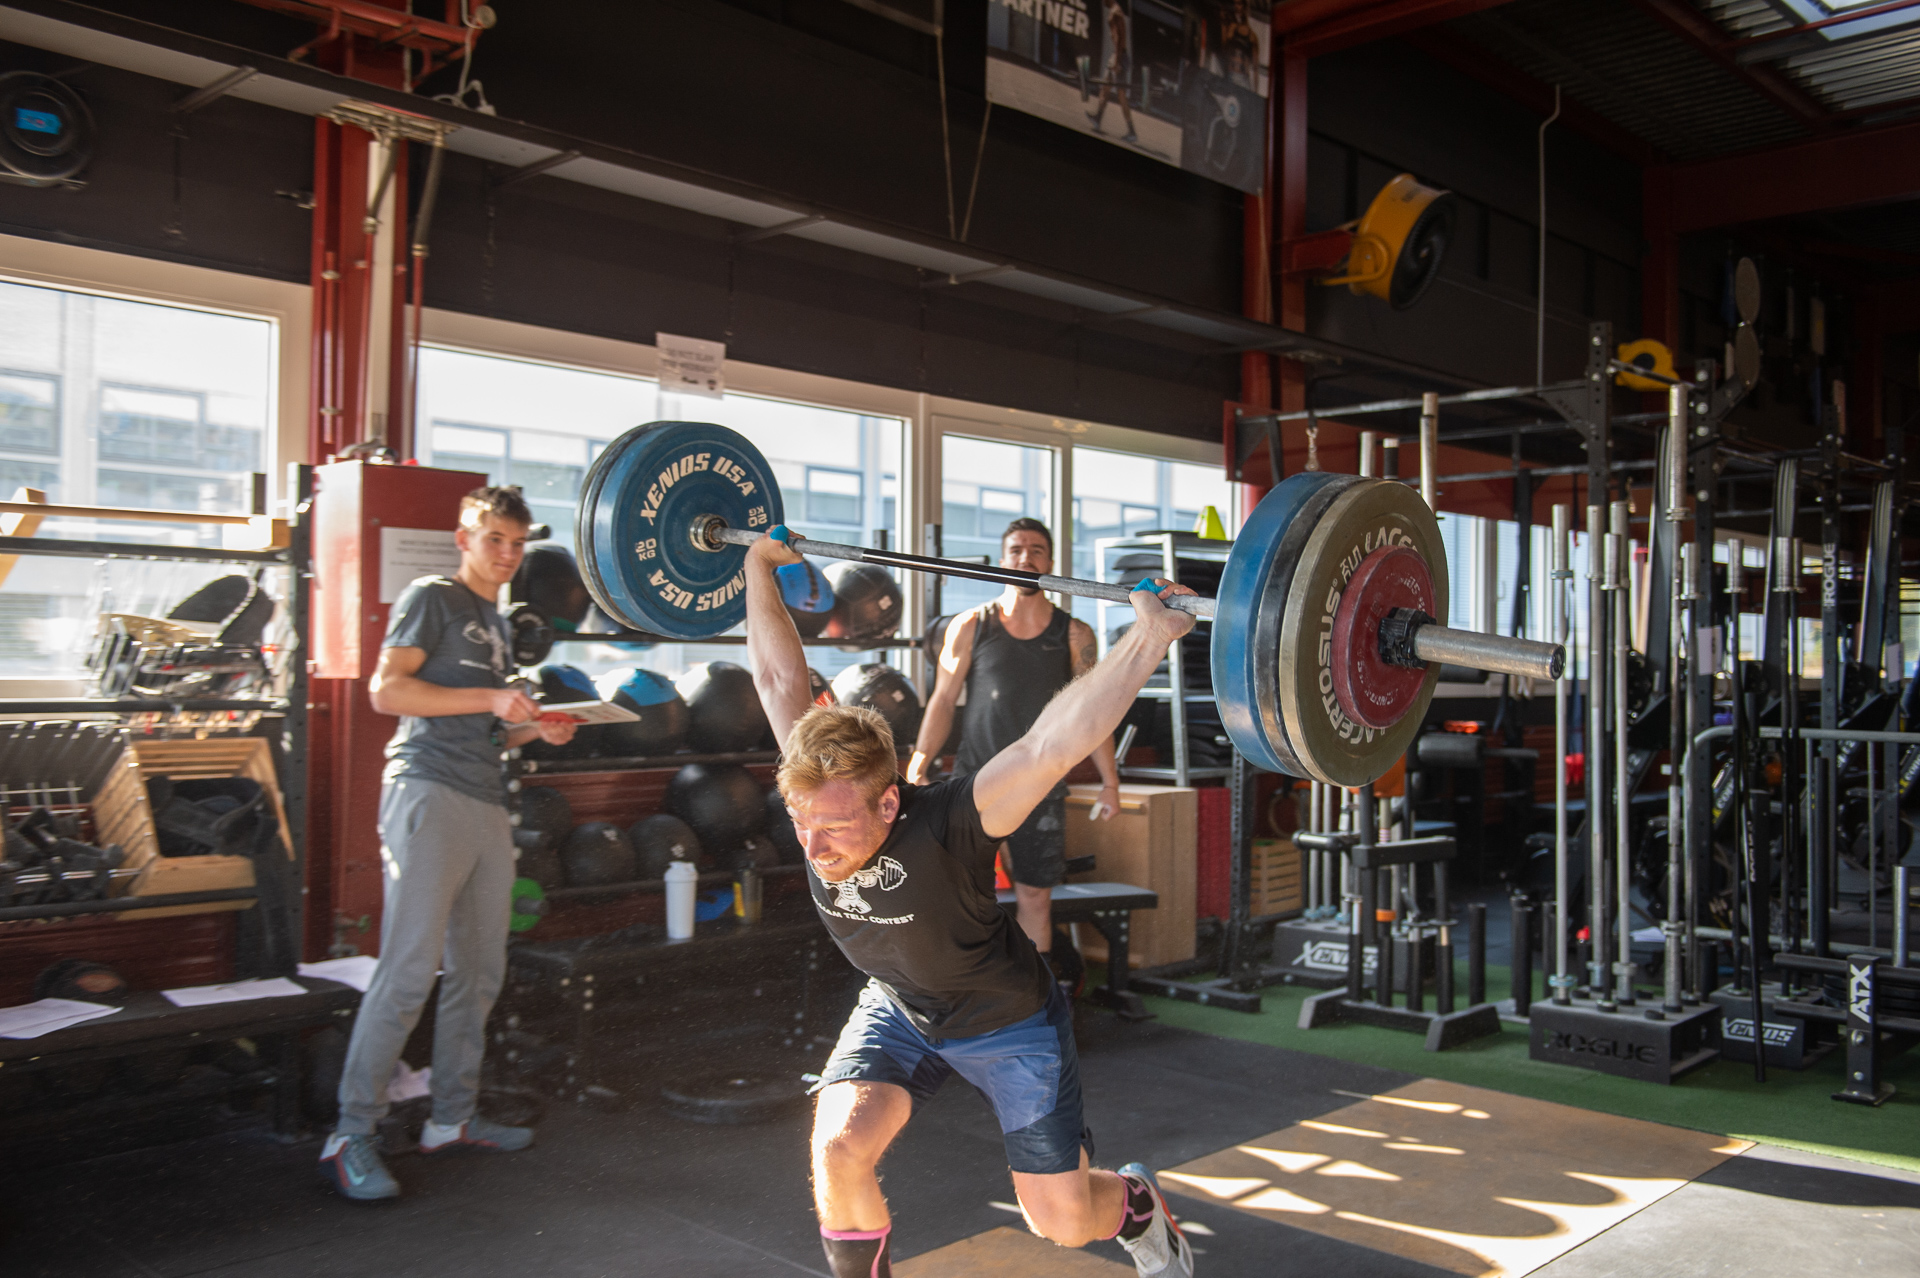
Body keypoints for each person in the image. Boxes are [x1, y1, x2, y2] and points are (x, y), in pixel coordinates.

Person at [745, 526, 1196, 1278]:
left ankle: (1136, 1203)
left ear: (888, 802)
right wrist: (759, 565)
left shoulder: (954, 819)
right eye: (801, 824)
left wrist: (1149, 635)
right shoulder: (820, 782)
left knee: (1062, 1223)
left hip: (1008, 1021)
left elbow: (1050, 744)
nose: (814, 847)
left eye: (835, 828)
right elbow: (773, 675)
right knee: (838, 1148)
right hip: (901, 1009)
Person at [319, 486, 579, 1202]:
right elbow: (387, 691)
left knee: (479, 971)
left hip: (485, 798)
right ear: (464, 539)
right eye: (494, 539)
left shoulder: (495, 623)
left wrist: (535, 729)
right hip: (428, 791)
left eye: (517, 544)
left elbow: (489, 729)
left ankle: (450, 1117)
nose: (506, 554)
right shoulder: (432, 598)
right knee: (409, 971)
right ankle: (351, 1132)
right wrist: (493, 700)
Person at [906, 518, 1121, 981]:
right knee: (962, 894)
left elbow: (1095, 715)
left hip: (1040, 787)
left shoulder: (1074, 634)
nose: (1026, 558)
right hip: (974, 784)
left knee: (1035, 897)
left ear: (1050, 562)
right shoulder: (970, 625)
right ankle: (964, 993)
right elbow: (942, 700)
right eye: (1017, 550)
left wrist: (1111, 782)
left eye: (1036, 550)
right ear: (1003, 560)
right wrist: (919, 763)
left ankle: (1035, 1000)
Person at [1087, 0, 1138, 143]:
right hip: (1117, 56)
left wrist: (1117, 61)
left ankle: (1132, 132)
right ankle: (1097, 118)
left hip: (1119, 57)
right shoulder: (1117, 11)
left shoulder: (1114, 13)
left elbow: (1119, 39)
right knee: (1105, 88)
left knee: (1121, 96)